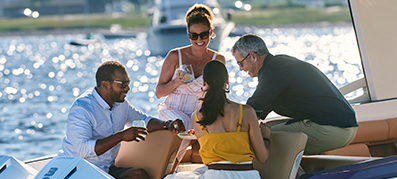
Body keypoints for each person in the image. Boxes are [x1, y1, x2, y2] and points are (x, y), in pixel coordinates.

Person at [231, 34, 358, 155]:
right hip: (343, 126)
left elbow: (250, 112)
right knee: (267, 127)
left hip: (333, 128)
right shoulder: (279, 65)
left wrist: (223, 127)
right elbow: (256, 113)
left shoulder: (273, 71)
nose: (240, 69)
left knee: (257, 141)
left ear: (253, 56)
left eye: (240, 63)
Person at [59, 61, 185, 179]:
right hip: (78, 171)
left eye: (128, 83)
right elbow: (82, 150)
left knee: (139, 175)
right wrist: (120, 136)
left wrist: (168, 124)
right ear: (105, 84)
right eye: (123, 84)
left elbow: (143, 120)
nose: (127, 88)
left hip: (105, 169)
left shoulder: (121, 104)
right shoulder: (82, 108)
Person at [165, 60, 270, 179]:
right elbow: (262, 157)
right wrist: (265, 137)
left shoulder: (197, 117)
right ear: (227, 80)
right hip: (247, 175)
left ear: (204, 81)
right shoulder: (247, 112)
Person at [155, 3, 226, 170]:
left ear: (210, 32)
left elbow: (221, 92)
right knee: (185, 122)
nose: (199, 40)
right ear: (188, 35)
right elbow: (159, 92)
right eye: (194, 36)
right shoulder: (175, 56)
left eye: (203, 35)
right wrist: (176, 82)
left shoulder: (218, 59)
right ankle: (169, 169)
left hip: (202, 111)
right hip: (173, 109)